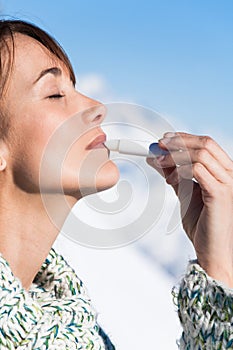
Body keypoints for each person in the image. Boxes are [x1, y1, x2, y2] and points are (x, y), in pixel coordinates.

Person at [0, 18, 232, 349]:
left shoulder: (77, 332)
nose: (97, 107)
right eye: (54, 94)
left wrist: (217, 264)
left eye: (75, 86)